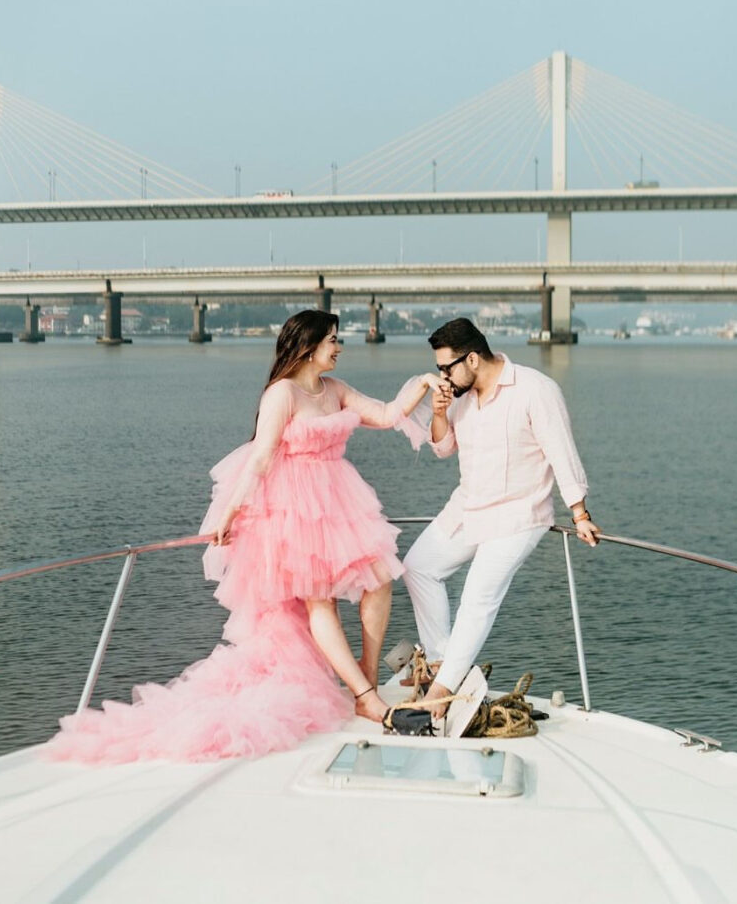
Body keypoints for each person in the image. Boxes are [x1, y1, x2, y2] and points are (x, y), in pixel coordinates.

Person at [47, 310, 441, 763]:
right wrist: (229, 515)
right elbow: (259, 459)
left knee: (380, 581)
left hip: (338, 499)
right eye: (333, 340)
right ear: (310, 346)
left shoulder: (336, 390)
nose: (339, 347)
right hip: (293, 506)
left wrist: (424, 383)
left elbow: (390, 414)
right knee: (320, 599)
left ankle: (364, 683)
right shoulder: (283, 393)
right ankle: (367, 694)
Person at [403, 318, 601, 717]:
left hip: (517, 514)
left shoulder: (536, 389)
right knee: (417, 567)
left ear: (472, 358)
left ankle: (439, 694)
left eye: (447, 368)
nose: (442, 376)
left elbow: (562, 452)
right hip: (468, 506)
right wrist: (439, 412)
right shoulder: (459, 395)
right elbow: (443, 450)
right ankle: (445, 664)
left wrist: (578, 512)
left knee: (477, 596)